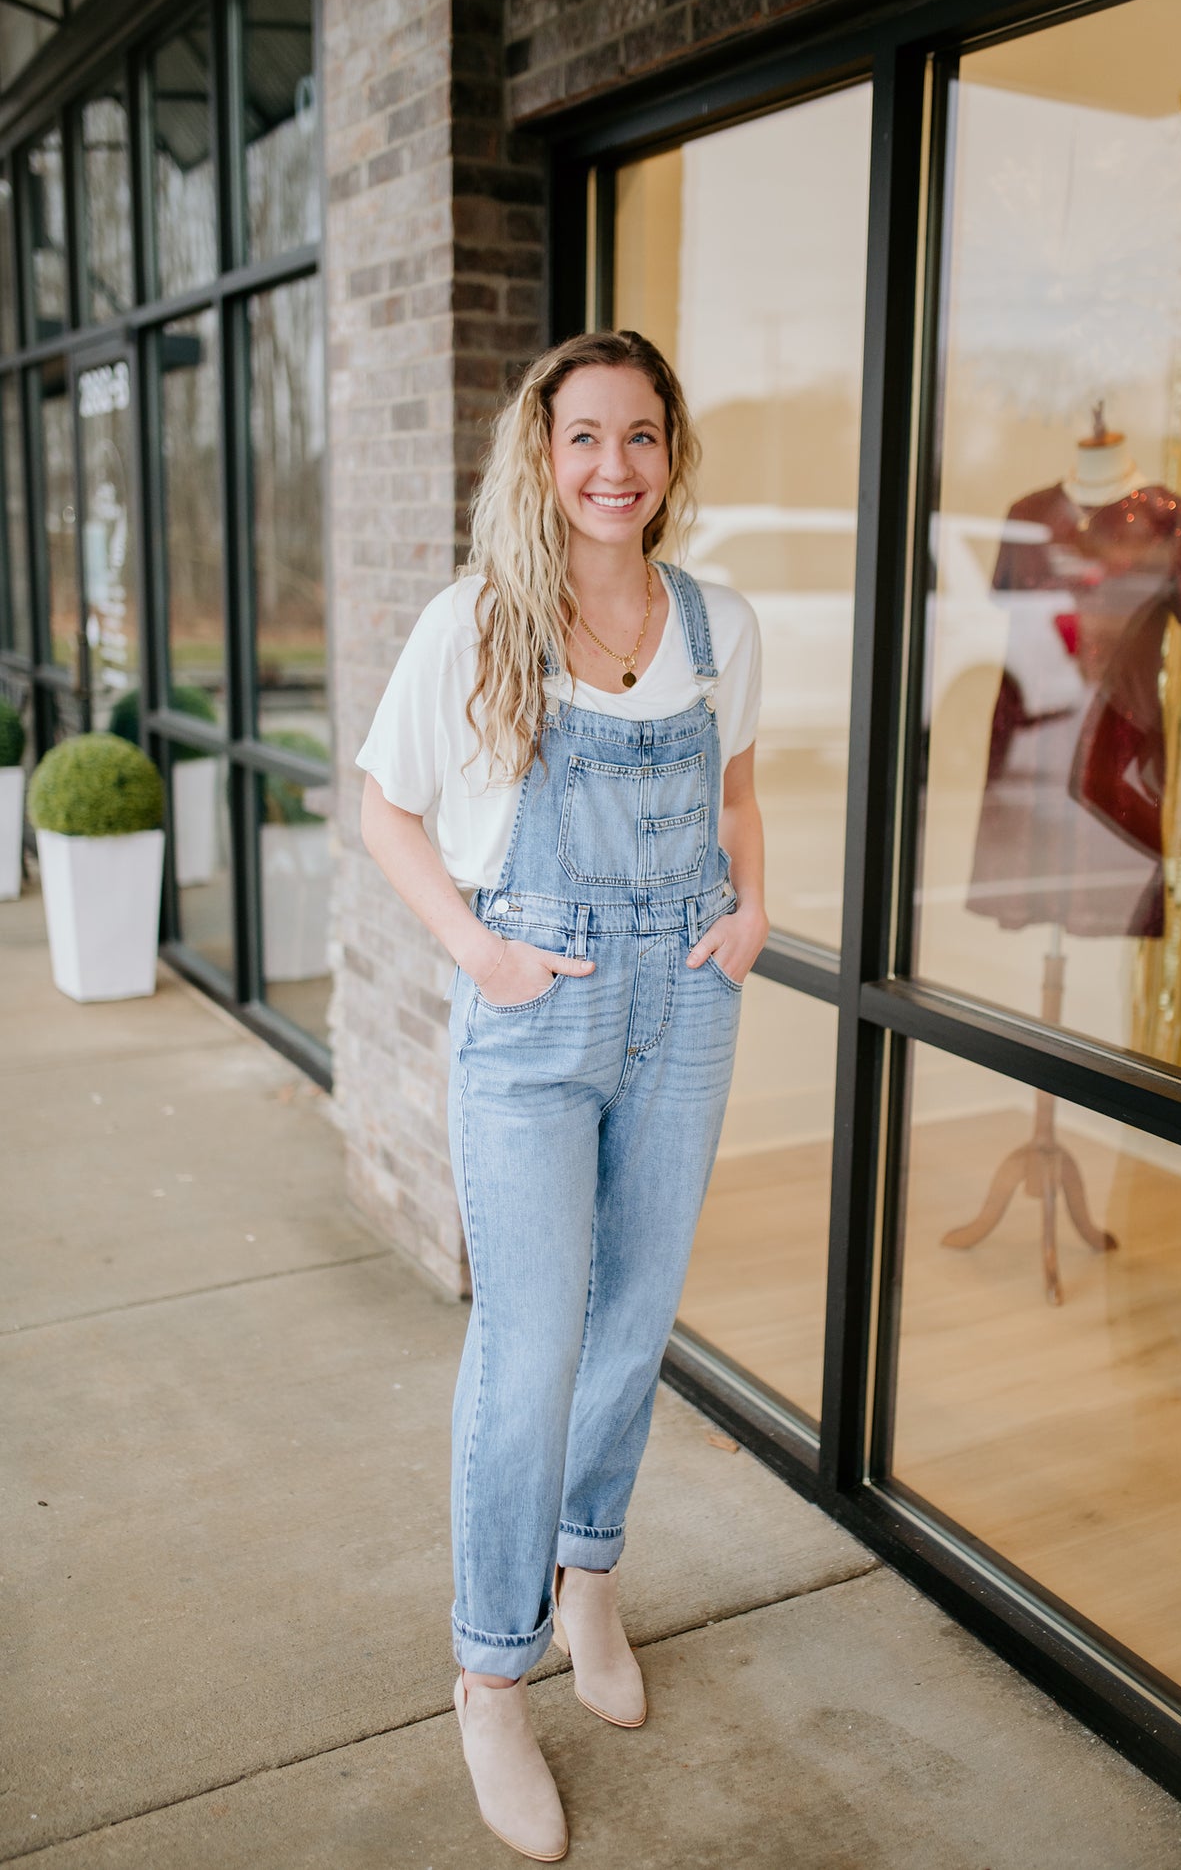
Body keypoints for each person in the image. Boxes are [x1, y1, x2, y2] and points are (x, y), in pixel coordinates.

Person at [357, 329, 767, 1860]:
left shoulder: (718, 624)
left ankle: (589, 1574)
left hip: (688, 998)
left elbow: (736, 787)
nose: (615, 466)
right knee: (526, 1347)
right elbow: (387, 800)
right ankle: (489, 1673)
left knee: (635, 1313)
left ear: (673, 456)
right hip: (533, 1019)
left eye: (643, 437)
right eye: (585, 437)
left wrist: (753, 914)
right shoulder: (479, 621)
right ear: (543, 453)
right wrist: (477, 948)